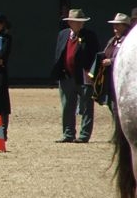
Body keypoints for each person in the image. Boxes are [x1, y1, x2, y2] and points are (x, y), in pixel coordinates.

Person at [51, 8, 100, 143]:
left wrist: (93, 74)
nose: (78, 24)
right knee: (67, 106)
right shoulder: (63, 34)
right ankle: (68, 134)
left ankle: (84, 135)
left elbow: (96, 56)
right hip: (66, 76)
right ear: (69, 22)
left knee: (86, 106)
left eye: (80, 21)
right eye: (75, 21)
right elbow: (59, 54)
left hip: (84, 76)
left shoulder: (90, 36)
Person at [90, 12, 132, 114]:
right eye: (114, 24)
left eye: (118, 24)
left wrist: (111, 61)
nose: (115, 26)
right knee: (112, 105)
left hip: (122, 80)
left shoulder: (129, 41)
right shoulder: (113, 40)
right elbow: (106, 52)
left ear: (125, 26)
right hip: (109, 79)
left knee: (117, 108)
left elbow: (129, 57)